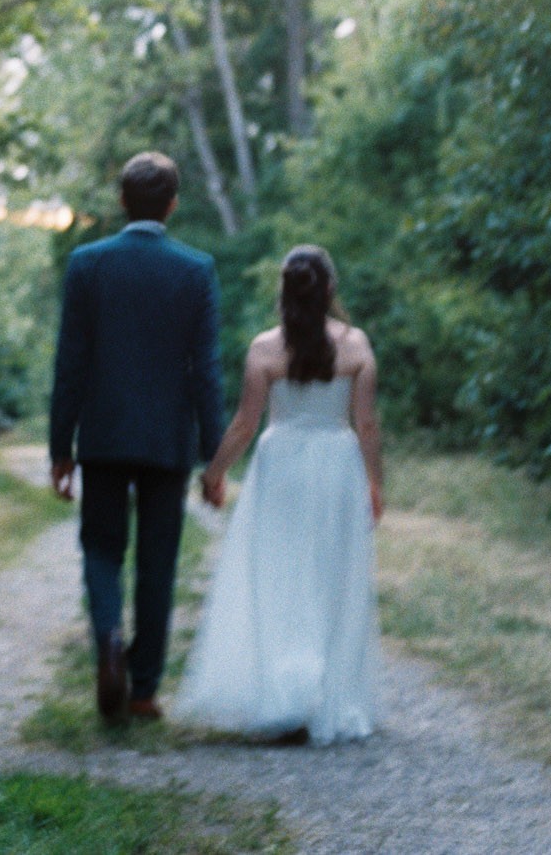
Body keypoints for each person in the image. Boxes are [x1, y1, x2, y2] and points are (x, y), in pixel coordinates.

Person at [172, 244, 383, 745]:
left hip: (282, 465)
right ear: (330, 289)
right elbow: (367, 422)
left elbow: (246, 422)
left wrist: (215, 472)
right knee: (330, 577)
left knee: (279, 575)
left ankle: (280, 693)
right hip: (336, 465)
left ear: (284, 291)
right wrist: (376, 482)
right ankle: (326, 696)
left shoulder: (265, 348)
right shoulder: (356, 346)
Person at [49, 151, 225, 722]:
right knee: (157, 560)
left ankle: (106, 638)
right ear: (172, 205)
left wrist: (60, 448)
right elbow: (207, 368)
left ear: (122, 201)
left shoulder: (87, 264)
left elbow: (70, 363)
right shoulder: (195, 270)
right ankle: (144, 688)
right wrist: (213, 457)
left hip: (102, 435)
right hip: (167, 441)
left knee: (101, 547)